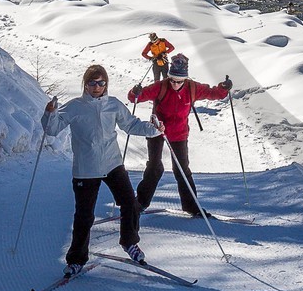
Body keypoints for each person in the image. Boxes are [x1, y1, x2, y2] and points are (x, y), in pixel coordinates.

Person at [42, 63, 163, 274]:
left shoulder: (113, 105)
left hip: (112, 163)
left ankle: (129, 242)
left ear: (106, 84)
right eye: (92, 83)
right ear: (85, 84)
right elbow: (52, 129)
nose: (97, 87)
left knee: (130, 203)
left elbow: (131, 124)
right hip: (85, 168)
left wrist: (153, 130)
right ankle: (77, 260)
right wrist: (49, 114)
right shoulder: (75, 106)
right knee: (84, 216)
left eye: (101, 82)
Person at [129, 53, 232, 218]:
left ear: (185, 78)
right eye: (172, 80)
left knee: (182, 170)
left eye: (179, 81)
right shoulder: (161, 86)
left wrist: (223, 88)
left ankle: (192, 207)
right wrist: (136, 92)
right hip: (157, 130)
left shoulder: (192, 88)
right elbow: (135, 97)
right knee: (154, 167)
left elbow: (213, 93)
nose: (175, 84)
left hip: (179, 133)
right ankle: (139, 204)